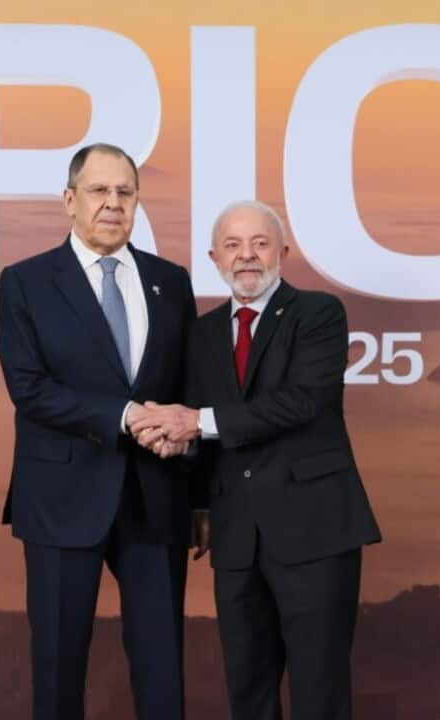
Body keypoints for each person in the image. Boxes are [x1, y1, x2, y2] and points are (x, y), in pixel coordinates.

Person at [130, 200, 382, 720]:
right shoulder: (202, 333)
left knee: (320, 693)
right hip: (237, 537)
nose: (247, 256)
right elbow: (199, 432)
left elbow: (301, 402)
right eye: (233, 246)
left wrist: (192, 422)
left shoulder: (319, 314)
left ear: (282, 252)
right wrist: (197, 499)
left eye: (260, 243)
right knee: (248, 690)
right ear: (214, 258)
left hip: (315, 533)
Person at [0, 143, 196, 720]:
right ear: (69, 200)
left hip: (156, 499)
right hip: (61, 499)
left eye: (125, 193)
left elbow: (189, 393)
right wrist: (126, 416)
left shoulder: (170, 281)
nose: (113, 204)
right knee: (58, 671)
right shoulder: (26, 283)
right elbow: (29, 389)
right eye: (99, 191)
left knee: (162, 670)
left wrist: (201, 498)